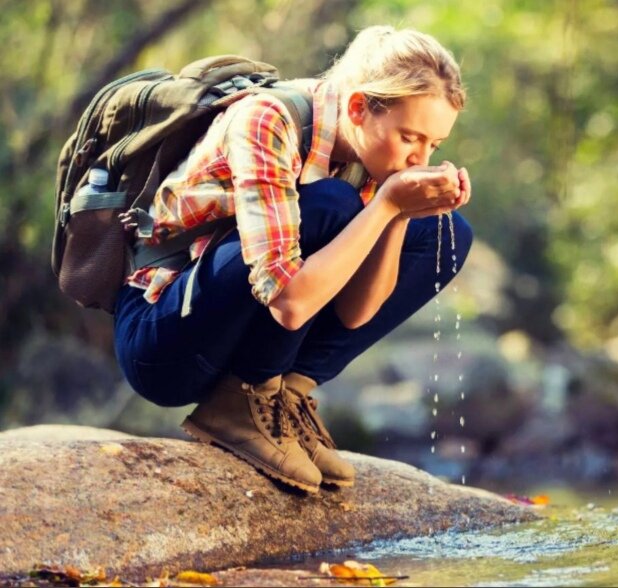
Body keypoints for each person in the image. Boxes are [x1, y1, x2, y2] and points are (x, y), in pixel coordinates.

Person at [112, 26, 472, 494]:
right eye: (410, 137)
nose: (419, 158)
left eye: (433, 147)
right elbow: (291, 304)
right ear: (359, 107)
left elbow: (355, 314)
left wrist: (401, 214)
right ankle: (245, 398)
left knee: (446, 234)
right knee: (334, 206)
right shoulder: (268, 119)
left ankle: (285, 397)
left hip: (231, 327)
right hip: (163, 341)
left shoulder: (364, 155)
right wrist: (383, 205)